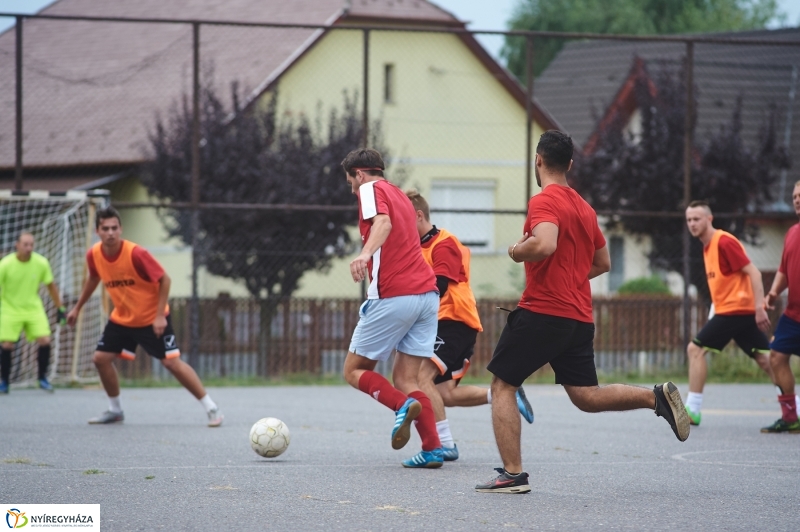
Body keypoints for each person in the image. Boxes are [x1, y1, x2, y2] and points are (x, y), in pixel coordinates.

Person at [475, 130, 689, 494]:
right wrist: (570, 275)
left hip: (543, 312)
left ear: (538, 160)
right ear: (570, 164)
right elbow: (603, 262)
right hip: (577, 317)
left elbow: (545, 244)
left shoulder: (544, 200)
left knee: (502, 385)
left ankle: (513, 474)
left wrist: (515, 250)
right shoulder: (584, 208)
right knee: (586, 396)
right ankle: (655, 397)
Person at [405, 189, 534, 462]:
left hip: (452, 320)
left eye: (403, 220)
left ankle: (442, 444)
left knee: (420, 378)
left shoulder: (445, 243)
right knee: (445, 394)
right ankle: (501, 397)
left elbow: (439, 286)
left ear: (418, 216)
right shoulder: (416, 248)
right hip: (444, 323)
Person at [66, 207, 223, 427]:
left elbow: (165, 279)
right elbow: (93, 278)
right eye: (105, 229)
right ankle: (115, 410)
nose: (110, 233)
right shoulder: (94, 254)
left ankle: (211, 408)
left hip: (151, 318)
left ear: (120, 229)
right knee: (100, 359)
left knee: (172, 363)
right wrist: (77, 308)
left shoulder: (136, 254)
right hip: (122, 318)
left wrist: (159, 316)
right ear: (97, 231)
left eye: (114, 228)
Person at [340, 148, 444, 468]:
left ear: (360, 174)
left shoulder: (369, 189)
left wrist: (364, 254)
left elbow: (382, 223)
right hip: (427, 295)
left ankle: (402, 406)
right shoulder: (400, 194)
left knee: (354, 370)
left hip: (395, 294)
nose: (352, 189)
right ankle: (433, 449)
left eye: (351, 181)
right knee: (407, 379)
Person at [684, 200, 774, 426]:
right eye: (689, 220)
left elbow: (754, 272)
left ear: (709, 219)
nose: (692, 223)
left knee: (695, 349)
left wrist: (759, 308)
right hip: (731, 310)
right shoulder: (707, 247)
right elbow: (724, 286)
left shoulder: (723, 241)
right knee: (765, 359)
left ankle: (692, 409)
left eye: (697, 219)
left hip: (736, 309)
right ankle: (795, 406)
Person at [0, 232, 65, 393]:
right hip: (10, 308)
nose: (29, 248)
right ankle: (4, 381)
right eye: (25, 245)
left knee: (45, 340)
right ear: (17, 245)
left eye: (31, 245)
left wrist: (60, 308)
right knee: (7, 344)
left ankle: (42, 378)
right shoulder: (5, 264)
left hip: (33, 308)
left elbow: (51, 286)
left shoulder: (41, 262)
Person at [762, 181, 800, 433]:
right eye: (795, 196)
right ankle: (790, 418)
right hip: (793, 314)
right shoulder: (792, 232)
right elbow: (784, 269)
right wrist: (774, 292)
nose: (797, 199)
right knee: (776, 357)